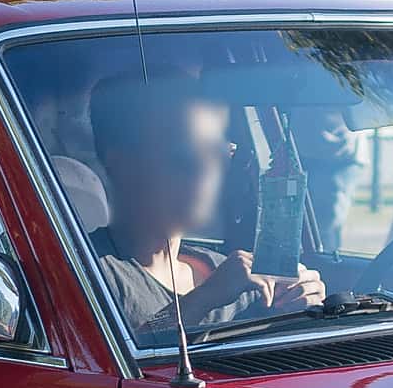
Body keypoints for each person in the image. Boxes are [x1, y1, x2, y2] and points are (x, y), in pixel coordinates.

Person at [87, 73, 324, 337]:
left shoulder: (224, 269)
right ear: (121, 164)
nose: (205, 172)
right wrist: (204, 298)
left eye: (218, 153)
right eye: (184, 156)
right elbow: (121, 358)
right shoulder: (89, 270)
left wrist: (297, 306)